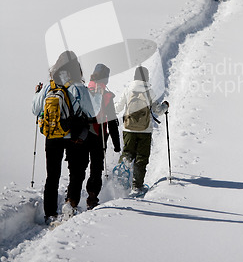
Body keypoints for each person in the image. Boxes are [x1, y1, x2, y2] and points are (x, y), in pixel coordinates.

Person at [32, 50, 102, 224]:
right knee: (76, 172)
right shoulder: (78, 87)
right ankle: (70, 204)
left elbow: (35, 109)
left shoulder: (50, 86)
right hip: (74, 135)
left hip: (52, 134)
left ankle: (50, 214)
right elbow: (92, 111)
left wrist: (37, 93)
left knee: (52, 174)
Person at [115, 66, 169, 195]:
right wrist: (165, 106)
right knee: (141, 158)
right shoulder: (149, 91)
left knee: (127, 153)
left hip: (128, 128)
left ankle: (121, 181)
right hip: (145, 130)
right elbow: (158, 111)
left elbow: (118, 108)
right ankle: (137, 186)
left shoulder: (128, 89)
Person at [85, 64, 121, 210]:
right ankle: (92, 197)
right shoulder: (105, 95)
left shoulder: (84, 90)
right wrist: (117, 145)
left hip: (81, 136)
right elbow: (112, 122)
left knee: (78, 169)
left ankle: (71, 199)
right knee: (96, 168)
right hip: (99, 136)